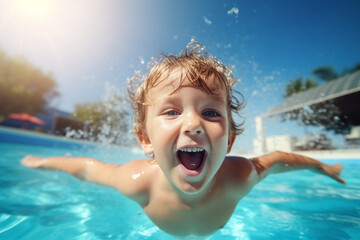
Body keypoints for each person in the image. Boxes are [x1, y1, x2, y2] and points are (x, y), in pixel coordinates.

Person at [21, 41, 346, 237]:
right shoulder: (137, 182)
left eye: (212, 113)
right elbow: (88, 169)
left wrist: (323, 168)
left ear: (230, 142)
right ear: (145, 139)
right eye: (172, 111)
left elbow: (277, 161)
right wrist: (43, 161)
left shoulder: (238, 176)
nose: (193, 123)